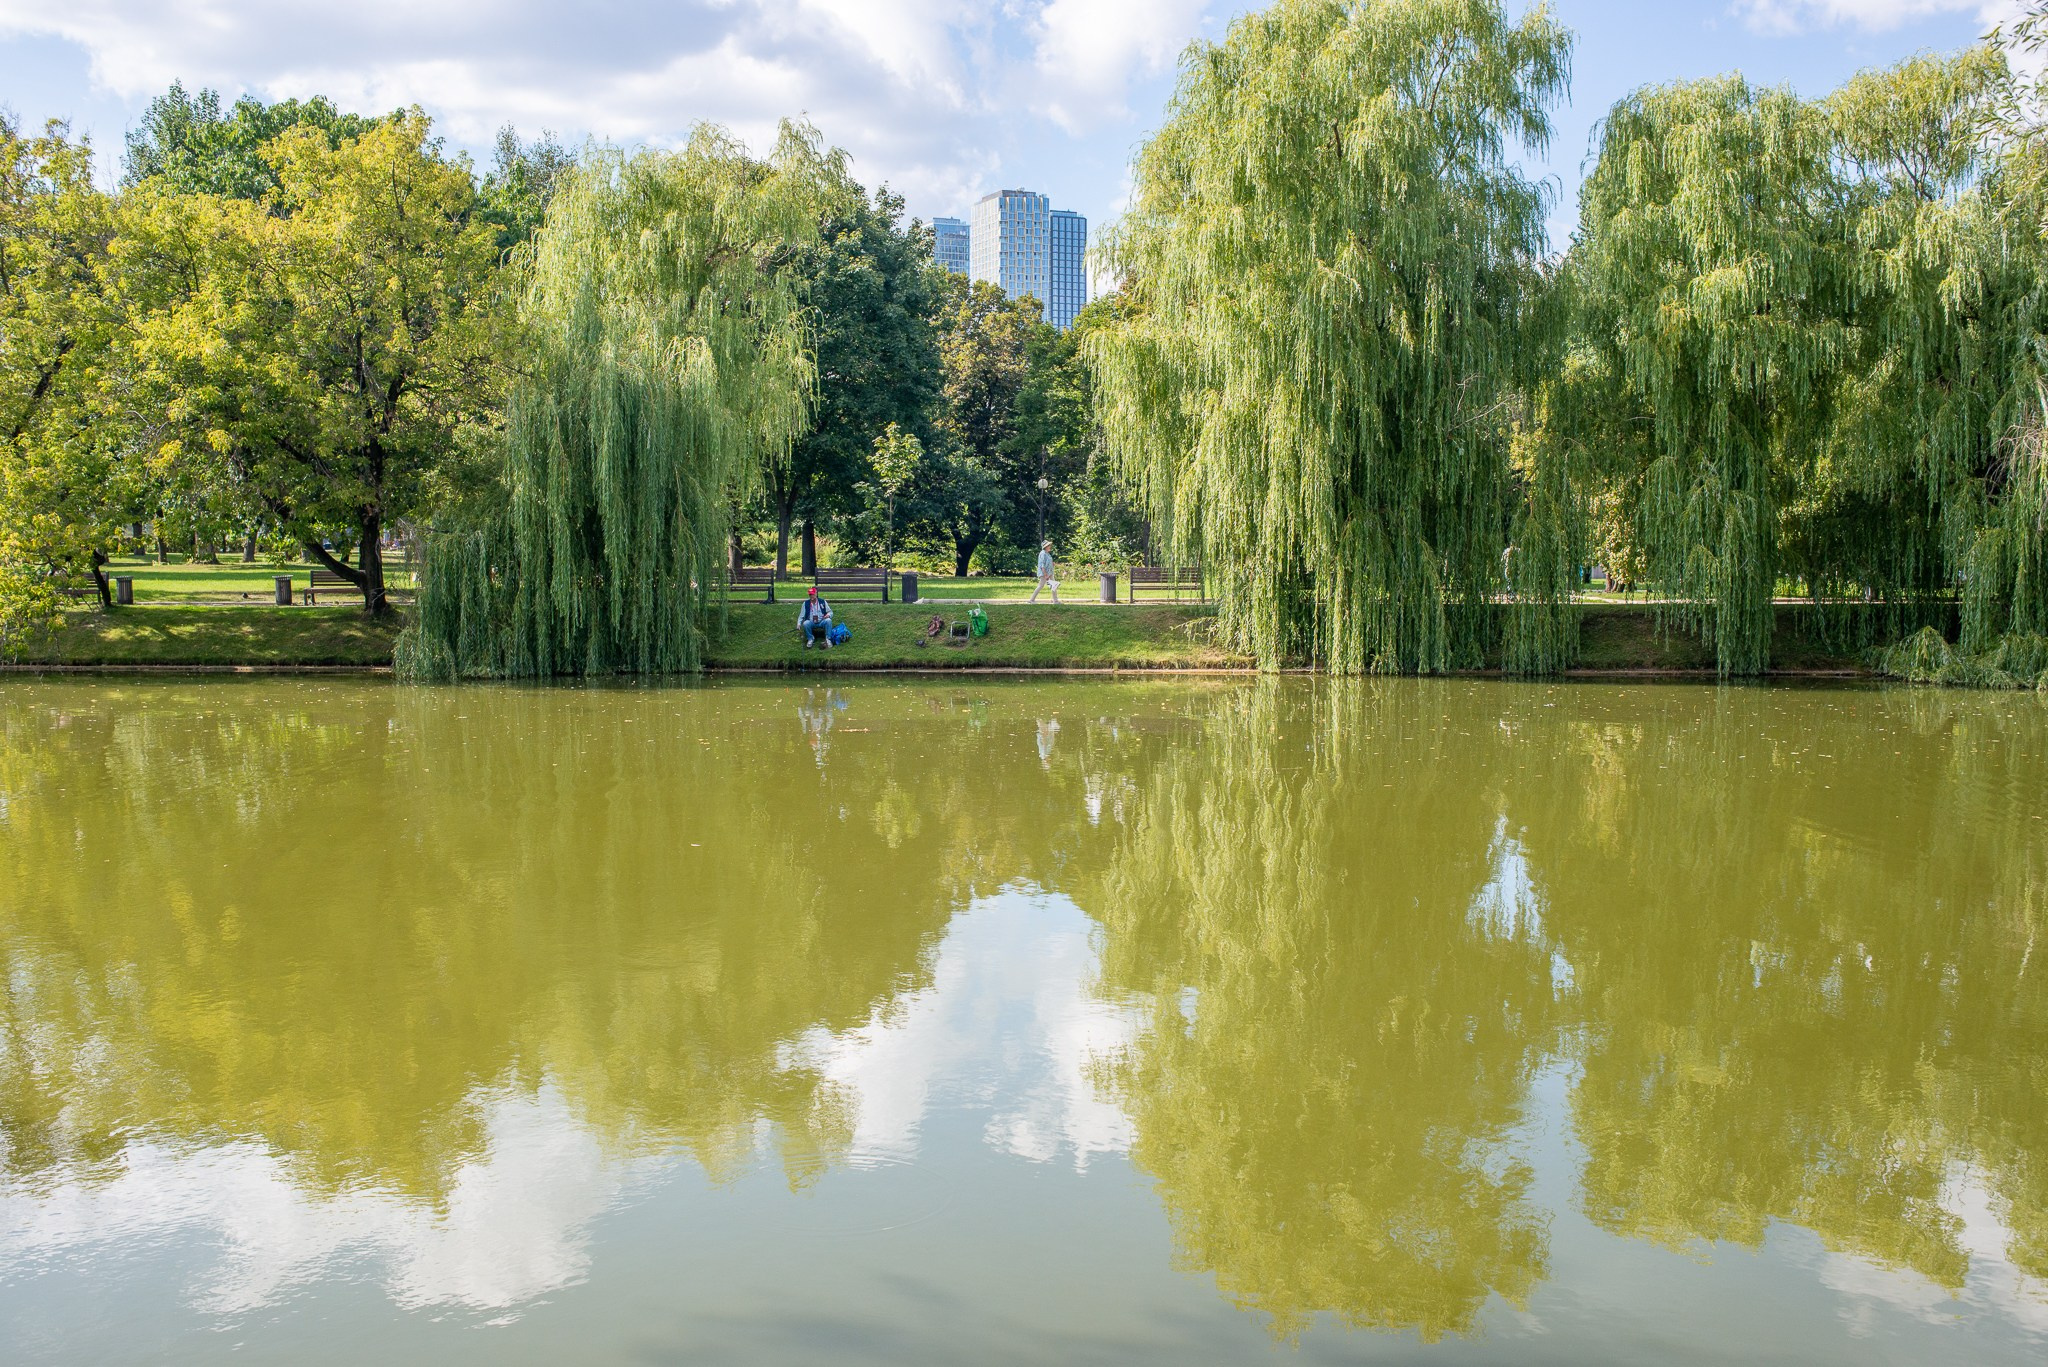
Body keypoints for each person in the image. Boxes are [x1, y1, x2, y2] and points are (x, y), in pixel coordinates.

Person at [1028, 540, 1060, 604]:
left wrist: (1052, 564)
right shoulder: (1043, 553)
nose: (1050, 546)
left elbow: (1047, 563)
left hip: (1050, 573)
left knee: (1053, 586)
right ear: (1045, 546)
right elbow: (1042, 565)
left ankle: (1055, 600)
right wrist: (1045, 574)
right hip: (1044, 573)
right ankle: (1031, 600)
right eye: (1049, 545)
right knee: (1040, 586)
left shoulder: (1047, 554)